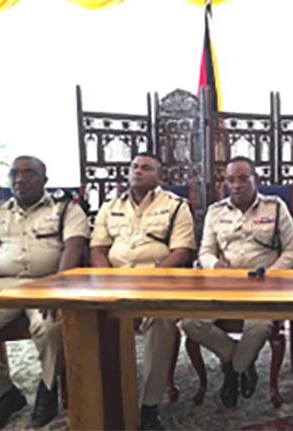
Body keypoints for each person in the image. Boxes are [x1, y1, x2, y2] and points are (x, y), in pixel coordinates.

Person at [0, 156, 89, 430]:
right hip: (4, 285)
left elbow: (74, 249)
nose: (20, 179)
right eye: (14, 174)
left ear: (44, 180)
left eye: (29, 173)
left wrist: (58, 288)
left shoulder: (67, 210)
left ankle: (48, 387)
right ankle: (4, 396)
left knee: (52, 326)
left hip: (49, 283)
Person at [90, 152, 196, 430]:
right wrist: (105, 278)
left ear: (159, 177)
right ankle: (100, 397)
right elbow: (98, 248)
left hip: (157, 282)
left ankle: (150, 406)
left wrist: (154, 276)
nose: (138, 171)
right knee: (84, 319)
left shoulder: (175, 206)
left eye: (146, 168)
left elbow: (182, 251)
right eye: (134, 167)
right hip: (115, 282)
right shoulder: (109, 206)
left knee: (162, 322)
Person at [182, 156, 293, 407]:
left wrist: (271, 274)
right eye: (231, 179)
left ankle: (233, 372)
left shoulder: (275, 207)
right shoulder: (215, 211)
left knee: (258, 327)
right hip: (223, 286)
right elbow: (205, 252)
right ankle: (240, 362)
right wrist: (214, 265)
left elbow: (292, 250)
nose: (236, 185)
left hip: (263, 286)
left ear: (255, 179)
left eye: (243, 178)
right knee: (191, 323)